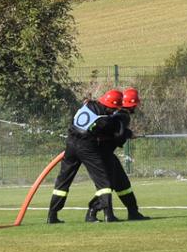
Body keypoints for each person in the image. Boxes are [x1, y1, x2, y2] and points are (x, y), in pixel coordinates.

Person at [48, 89, 123, 224]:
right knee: (103, 181)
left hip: (70, 144)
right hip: (87, 146)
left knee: (63, 180)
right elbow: (113, 132)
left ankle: (52, 216)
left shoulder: (87, 105)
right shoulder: (104, 119)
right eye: (114, 109)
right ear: (110, 106)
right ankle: (108, 215)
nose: (113, 112)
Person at [97, 86, 149, 222]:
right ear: (132, 105)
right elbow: (118, 135)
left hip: (106, 154)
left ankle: (133, 212)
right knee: (109, 185)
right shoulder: (123, 116)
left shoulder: (116, 114)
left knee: (123, 184)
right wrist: (129, 134)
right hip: (104, 155)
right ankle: (93, 211)